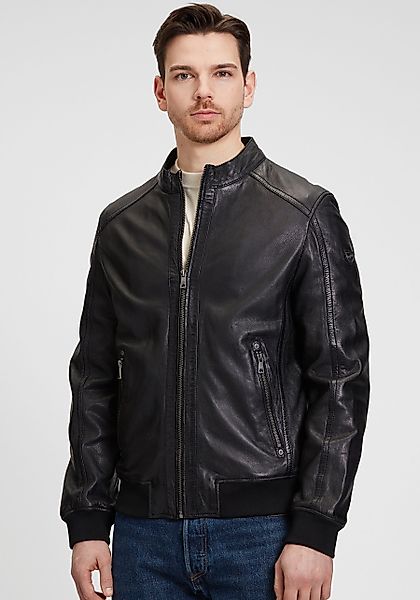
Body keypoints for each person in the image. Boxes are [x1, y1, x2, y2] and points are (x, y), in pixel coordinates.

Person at [59, 3, 370, 599]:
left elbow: (341, 379)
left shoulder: (302, 215)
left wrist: (316, 528)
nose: (204, 91)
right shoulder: (120, 226)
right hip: (143, 536)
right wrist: (88, 519)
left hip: (263, 534)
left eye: (222, 73)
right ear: (160, 91)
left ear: (248, 86)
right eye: (184, 75)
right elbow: (94, 378)